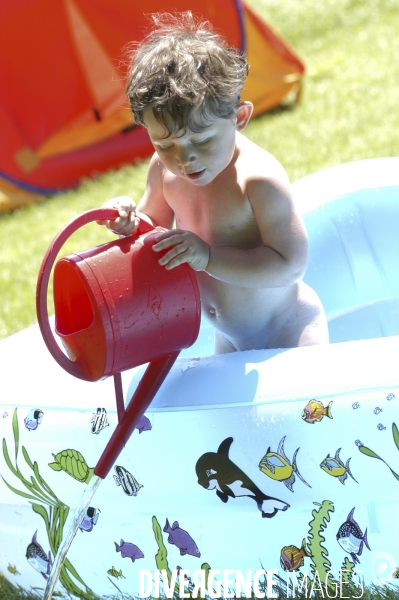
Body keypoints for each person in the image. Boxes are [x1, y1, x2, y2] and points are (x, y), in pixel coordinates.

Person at [99, 11, 329, 353]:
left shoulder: (258, 180)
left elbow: (289, 265)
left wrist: (208, 258)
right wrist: (127, 222)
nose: (184, 158)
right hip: (228, 337)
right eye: (164, 144)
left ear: (239, 118)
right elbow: (153, 234)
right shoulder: (165, 172)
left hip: (288, 331)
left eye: (202, 140)